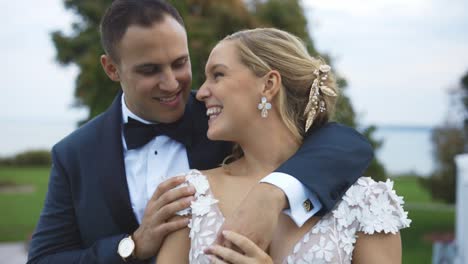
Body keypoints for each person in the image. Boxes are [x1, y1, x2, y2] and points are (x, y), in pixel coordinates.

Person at [27, 1, 373, 263]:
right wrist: (131, 246)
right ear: (112, 68)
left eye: (180, 63)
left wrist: (273, 192)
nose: (171, 83)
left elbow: (343, 143)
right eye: (150, 70)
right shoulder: (75, 154)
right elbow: (45, 258)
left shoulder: (222, 121)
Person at [156, 28, 411, 263]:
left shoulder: (365, 202)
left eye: (218, 75)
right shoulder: (190, 196)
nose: (201, 93)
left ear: (268, 85)